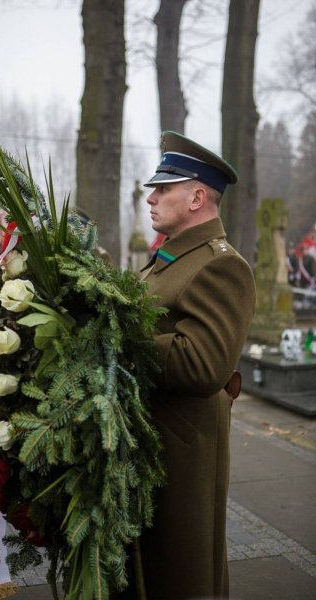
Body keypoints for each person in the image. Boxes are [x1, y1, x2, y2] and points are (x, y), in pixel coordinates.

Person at [113, 131, 256, 600]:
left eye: (162, 189)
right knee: (148, 572)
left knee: (181, 574)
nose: (150, 198)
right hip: (153, 440)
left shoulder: (220, 265)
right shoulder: (169, 257)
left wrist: (117, 339)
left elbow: (204, 365)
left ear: (197, 196)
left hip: (182, 450)